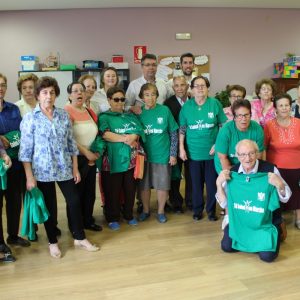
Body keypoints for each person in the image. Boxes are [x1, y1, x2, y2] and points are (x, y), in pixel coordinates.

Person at [19, 76, 99, 258]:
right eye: (45, 92)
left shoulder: (63, 115)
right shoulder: (30, 119)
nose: (49, 96)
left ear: (56, 95)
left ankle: (80, 237)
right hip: (42, 171)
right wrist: (29, 177)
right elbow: (25, 152)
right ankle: (52, 242)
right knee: (50, 208)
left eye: (52, 92)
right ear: (38, 95)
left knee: (74, 201)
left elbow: (71, 144)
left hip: (64, 167)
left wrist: (75, 168)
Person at [216, 140, 291, 262]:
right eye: (243, 154)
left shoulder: (270, 170)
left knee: (267, 257)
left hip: (263, 224)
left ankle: (275, 231)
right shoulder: (233, 173)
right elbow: (224, 203)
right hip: (241, 224)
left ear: (257, 154)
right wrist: (218, 184)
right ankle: (253, 242)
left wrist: (280, 185)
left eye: (251, 153)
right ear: (237, 155)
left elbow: (286, 197)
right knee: (226, 247)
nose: (247, 158)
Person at [179, 76, 227, 221]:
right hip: (193, 153)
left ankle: (211, 211)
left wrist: (217, 144)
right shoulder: (186, 107)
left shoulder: (215, 104)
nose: (200, 88)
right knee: (196, 184)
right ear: (192, 89)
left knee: (212, 184)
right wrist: (181, 148)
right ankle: (197, 210)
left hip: (212, 154)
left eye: (203, 85)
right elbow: (182, 128)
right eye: (197, 86)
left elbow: (222, 126)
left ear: (207, 88)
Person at [99, 86, 145, 230]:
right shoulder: (104, 117)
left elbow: (138, 131)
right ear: (109, 100)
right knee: (112, 190)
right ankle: (112, 217)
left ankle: (128, 215)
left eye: (122, 99)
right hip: (112, 161)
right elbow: (105, 134)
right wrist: (126, 138)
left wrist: (134, 136)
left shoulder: (130, 116)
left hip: (131, 161)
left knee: (130, 189)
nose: (120, 102)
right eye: (116, 99)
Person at [138, 83, 178, 223]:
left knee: (163, 185)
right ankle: (145, 210)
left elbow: (173, 133)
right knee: (144, 185)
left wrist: (173, 153)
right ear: (142, 97)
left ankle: (161, 211)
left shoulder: (165, 110)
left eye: (153, 94)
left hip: (162, 155)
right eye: (147, 95)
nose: (150, 97)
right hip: (143, 157)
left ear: (157, 96)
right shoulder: (138, 113)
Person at [0, 73, 31, 258]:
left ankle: (12, 235)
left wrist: (9, 138)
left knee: (14, 202)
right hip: (0, 167)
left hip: (15, 164)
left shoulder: (13, 109)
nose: (1, 88)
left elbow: (20, 132)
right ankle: (0, 244)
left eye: (3, 84)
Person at [64, 82, 101, 232]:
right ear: (69, 95)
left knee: (89, 193)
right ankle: (75, 226)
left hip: (91, 158)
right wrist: (87, 153)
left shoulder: (90, 111)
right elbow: (69, 138)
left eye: (82, 90)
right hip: (76, 159)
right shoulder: (66, 111)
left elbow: (97, 133)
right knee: (75, 196)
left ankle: (88, 220)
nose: (79, 93)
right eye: (75, 91)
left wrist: (96, 152)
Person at [264, 93, 300, 229]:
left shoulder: (298, 123)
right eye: (281, 105)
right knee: (277, 186)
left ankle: (298, 216)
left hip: (297, 164)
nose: (284, 108)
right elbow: (264, 146)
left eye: (287, 105)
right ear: (276, 109)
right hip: (276, 166)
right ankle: (279, 218)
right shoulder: (269, 125)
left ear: (290, 107)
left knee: (296, 186)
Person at [164, 76, 192, 212]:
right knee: (175, 176)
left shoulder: (194, 101)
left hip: (191, 144)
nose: (180, 88)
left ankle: (191, 201)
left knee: (191, 174)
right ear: (173, 88)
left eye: (182, 85)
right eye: (177, 85)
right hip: (175, 144)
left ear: (187, 86)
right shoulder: (168, 104)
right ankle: (176, 203)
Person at [214, 99, 264, 174]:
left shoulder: (257, 129)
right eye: (239, 115)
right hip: (227, 166)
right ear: (234, 117)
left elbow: (258, 156)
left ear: (251, 115)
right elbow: (222, 158)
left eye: (246, 115)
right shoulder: (225, 130)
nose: (243, 119)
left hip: (249, 165)